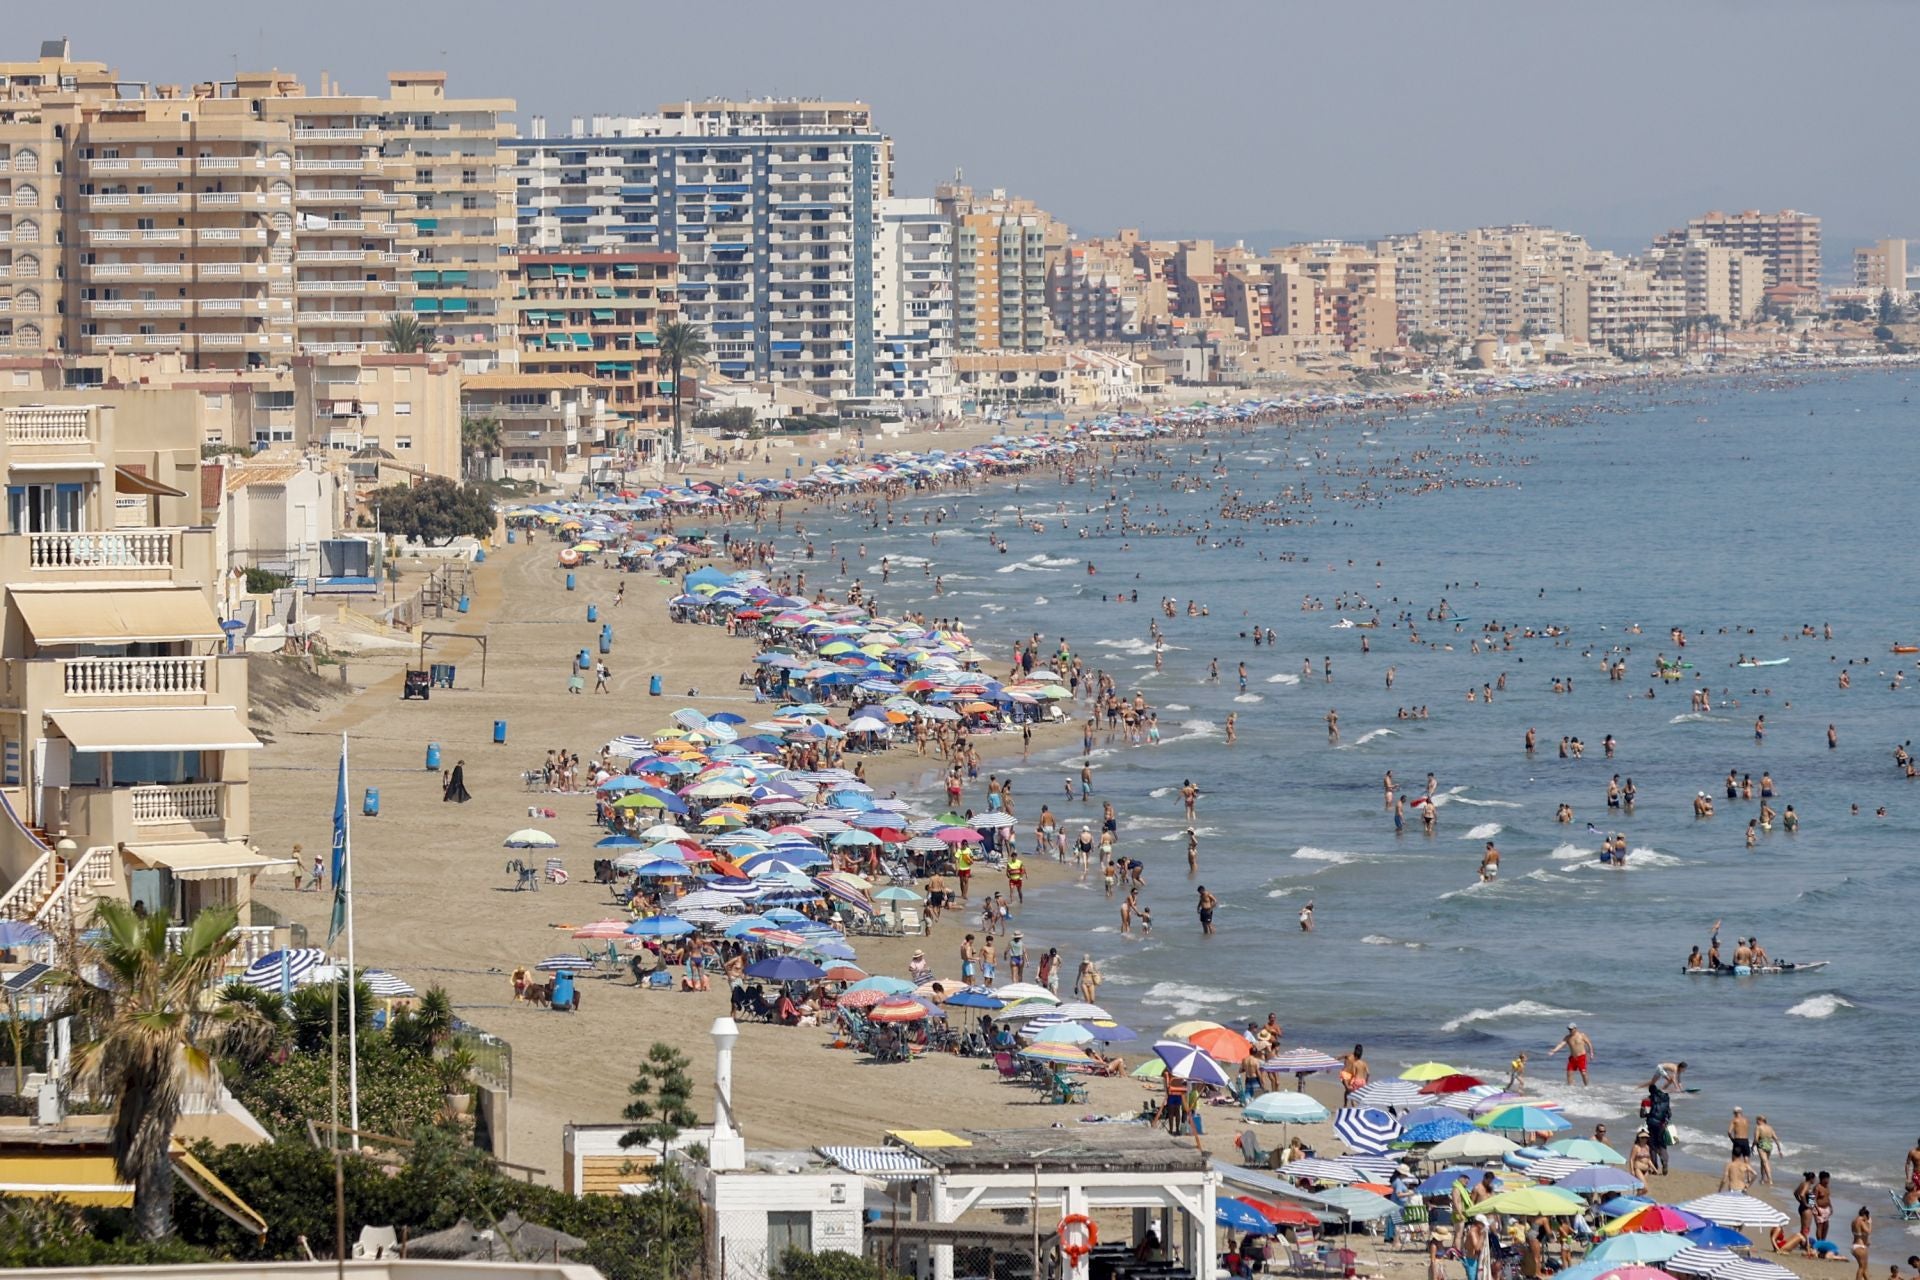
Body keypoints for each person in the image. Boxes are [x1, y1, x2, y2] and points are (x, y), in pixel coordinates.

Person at [1852, 1207, 1872, 1280]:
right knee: (1862, 1267)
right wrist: (1870, 1223)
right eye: (1867, 1218)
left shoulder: (1854, 1221)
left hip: (1855, 1245)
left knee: (1864, 1267)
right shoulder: (1860, 1221)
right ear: (1865, 1215)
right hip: (1860, 1247)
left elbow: (1859, 1233)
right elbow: (1868, 1231)